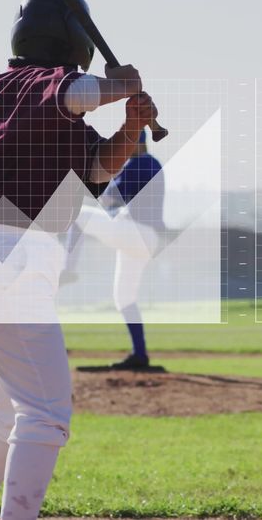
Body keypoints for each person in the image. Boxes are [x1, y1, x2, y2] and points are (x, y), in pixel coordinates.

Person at [0, 0, 158, 520]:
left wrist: (129, 127)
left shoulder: (45, 114)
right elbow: (73, 92)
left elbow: (99, 170)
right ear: (73, 40)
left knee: (8, 405)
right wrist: (120, 85)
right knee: (47, 411)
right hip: (5, 250)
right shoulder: (23, 83)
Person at [66, 130, 166, 369]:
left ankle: (67, 269)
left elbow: (110, 199)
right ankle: (139, 355)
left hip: (137, 233)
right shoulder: (152, 164)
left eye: (128, 143)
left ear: (137, 144)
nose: (125, 148)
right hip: (142, 239)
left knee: (78, 215)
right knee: (124, 298)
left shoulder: (138, 163)